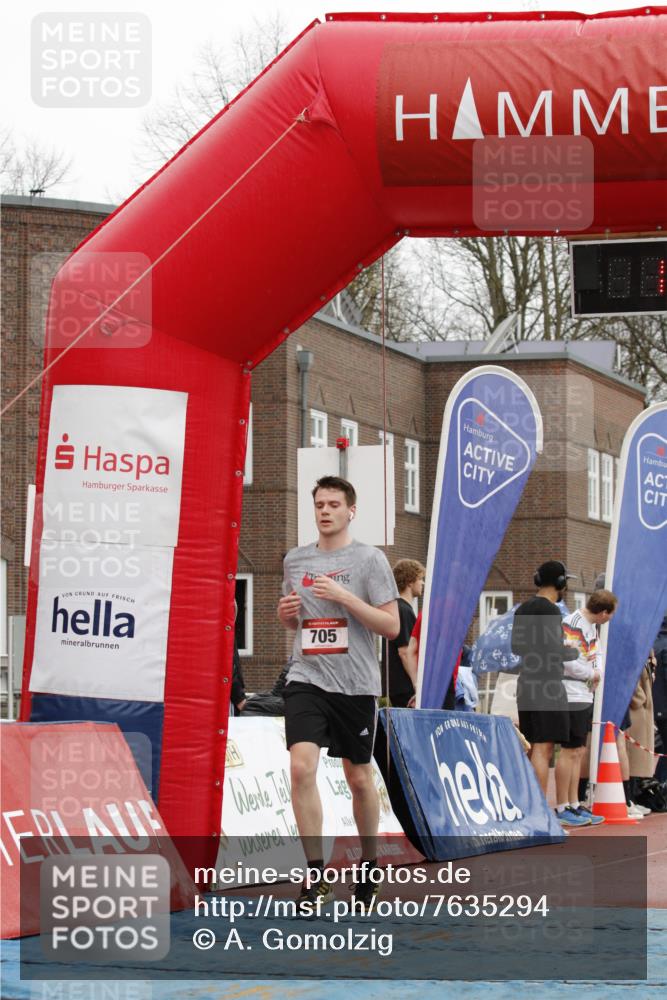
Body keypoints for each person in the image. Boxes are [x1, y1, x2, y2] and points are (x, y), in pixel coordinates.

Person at [277, 476, 399, 912]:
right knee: (300, 767)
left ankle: (369, 864)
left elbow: (391, 627)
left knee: (359, 778)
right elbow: (296, 621)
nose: (325, 511)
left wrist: (346, 598)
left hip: (356, 684)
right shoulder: (296, 560)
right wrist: (285, 613)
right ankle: (316, 875)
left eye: (333, 504)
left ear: (351, 511)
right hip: (307, 677)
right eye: (319, 505)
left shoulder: (370, 560)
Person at [511, 560, 579, 802]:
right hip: (547, 684)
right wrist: (571, 650)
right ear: (559, 583)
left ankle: (530, 805)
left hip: (526, 683)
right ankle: (540, 810)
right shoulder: (551, 611)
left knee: (532, 747)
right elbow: (553, 650)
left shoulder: (521, 609)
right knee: (544, 747)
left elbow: (516, 646)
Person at [558, 590, 618, 827]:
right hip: (570, 692)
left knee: (579, 750)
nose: (610, 618)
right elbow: (568, 659)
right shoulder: (573, 623)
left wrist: (598, 672)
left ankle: (574, 803)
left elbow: (597, 653)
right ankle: (562, 805)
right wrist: (591, 673)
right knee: (569, 749)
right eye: (611, 614)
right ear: (603, 613)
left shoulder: (592, 627)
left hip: (585, 693)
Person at [382, 559, 424, 707]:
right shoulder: (403, 610)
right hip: (405, 686)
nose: (422, 583)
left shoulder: (395, 608)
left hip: (397, 685)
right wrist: (417, 685)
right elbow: (405, 652)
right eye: (420, 579)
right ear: (410, 582)